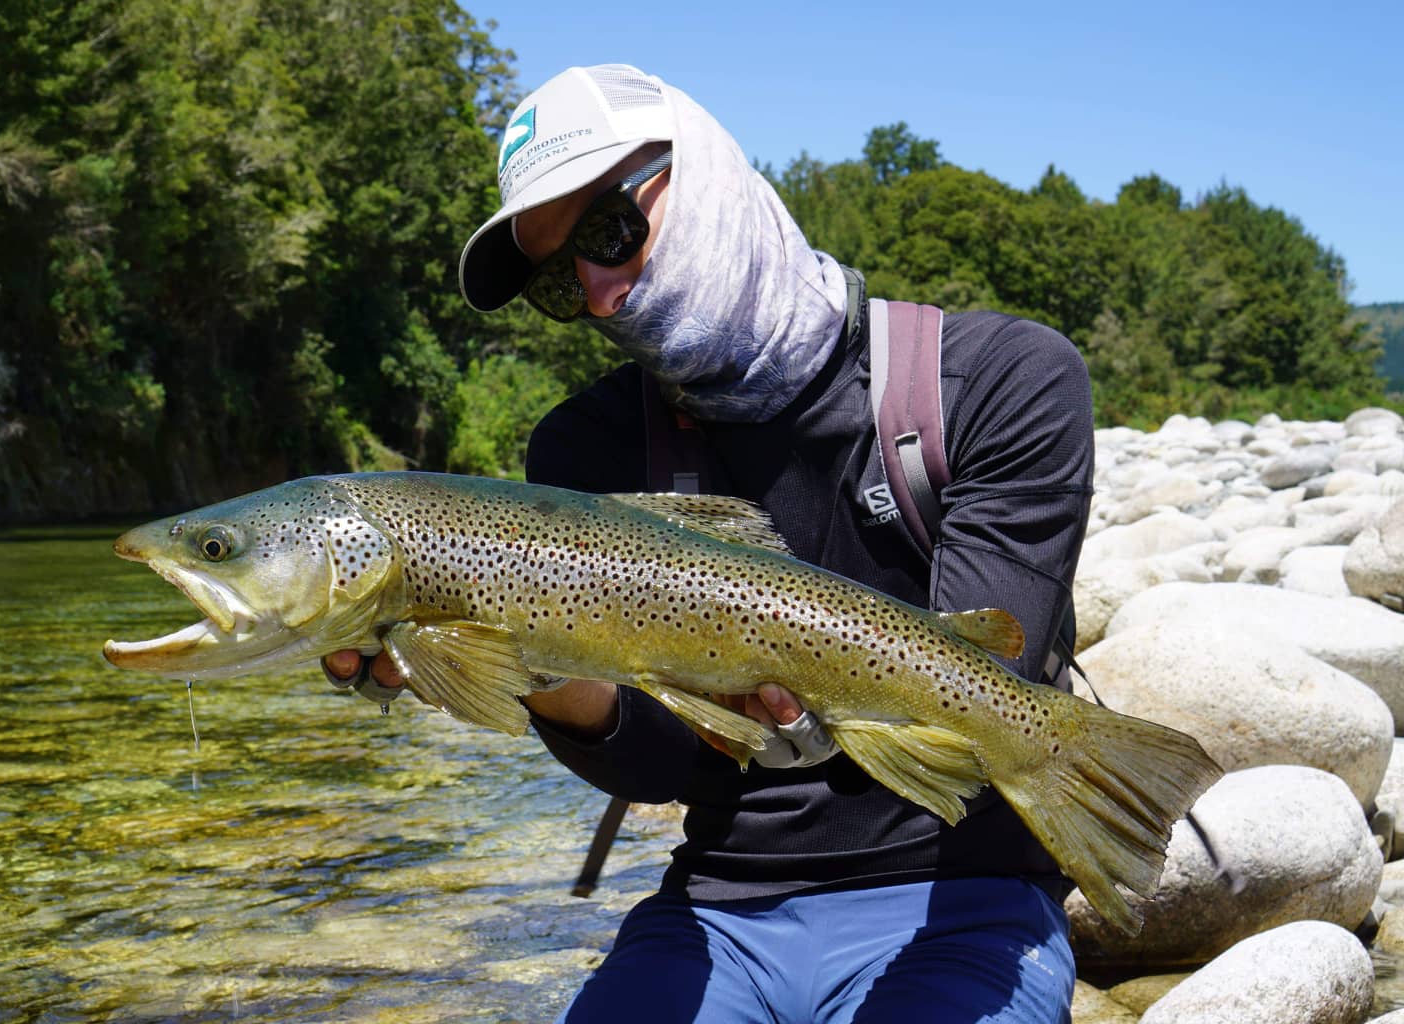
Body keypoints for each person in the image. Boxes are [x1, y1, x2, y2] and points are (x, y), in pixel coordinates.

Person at [324, 63, 1094, 1023]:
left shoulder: (994, 380)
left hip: (961, 896)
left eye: (610, 233)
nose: (601, 297)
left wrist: (785, 681)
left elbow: (981, 701)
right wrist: (509, 664)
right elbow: (656, 769)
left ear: (714, 177)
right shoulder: (586, 448)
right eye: (562, 284)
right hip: (717, 912)